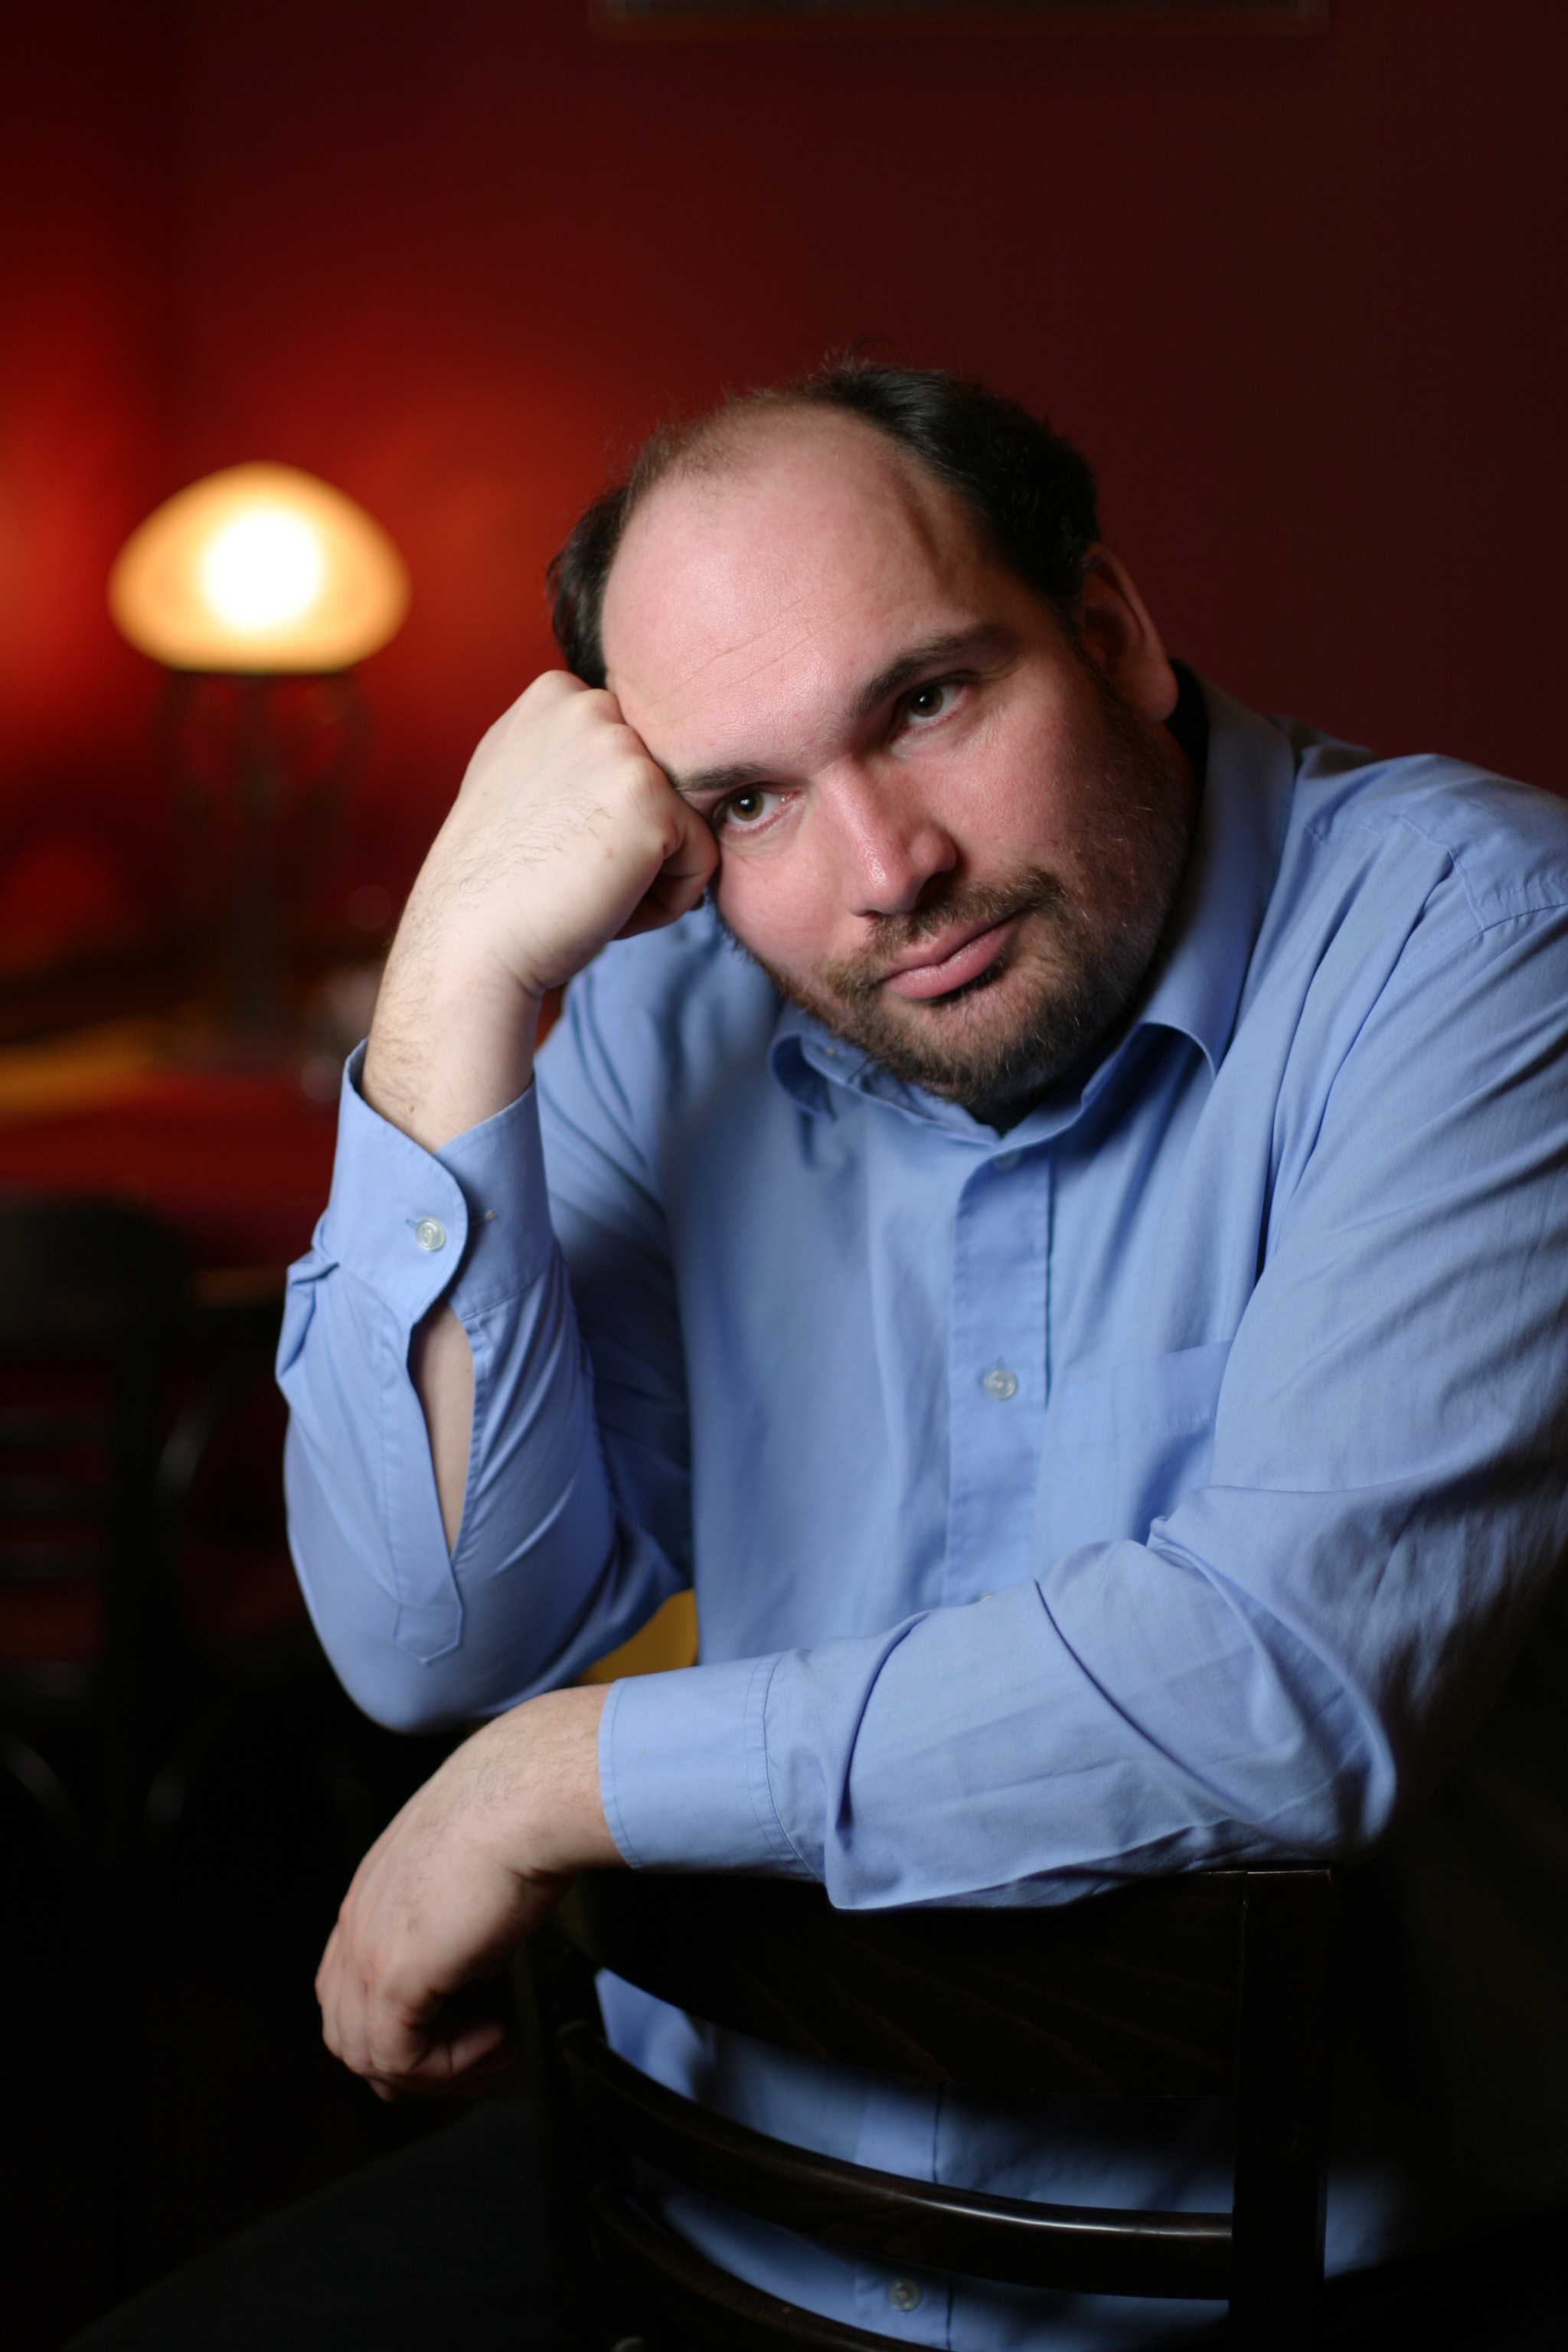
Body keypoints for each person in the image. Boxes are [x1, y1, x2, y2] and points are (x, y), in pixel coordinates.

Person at [80, 364, 1568, 2349]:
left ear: (1109, 631)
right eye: (748, 800)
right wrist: (450, 982)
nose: (884, 870)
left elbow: (1281, 1683)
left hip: (1287, 2269)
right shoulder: (667, 1007)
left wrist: (562, 1778)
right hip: (702, 2179)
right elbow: (438, 1636)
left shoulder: (1485, 941)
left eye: (929, 701)